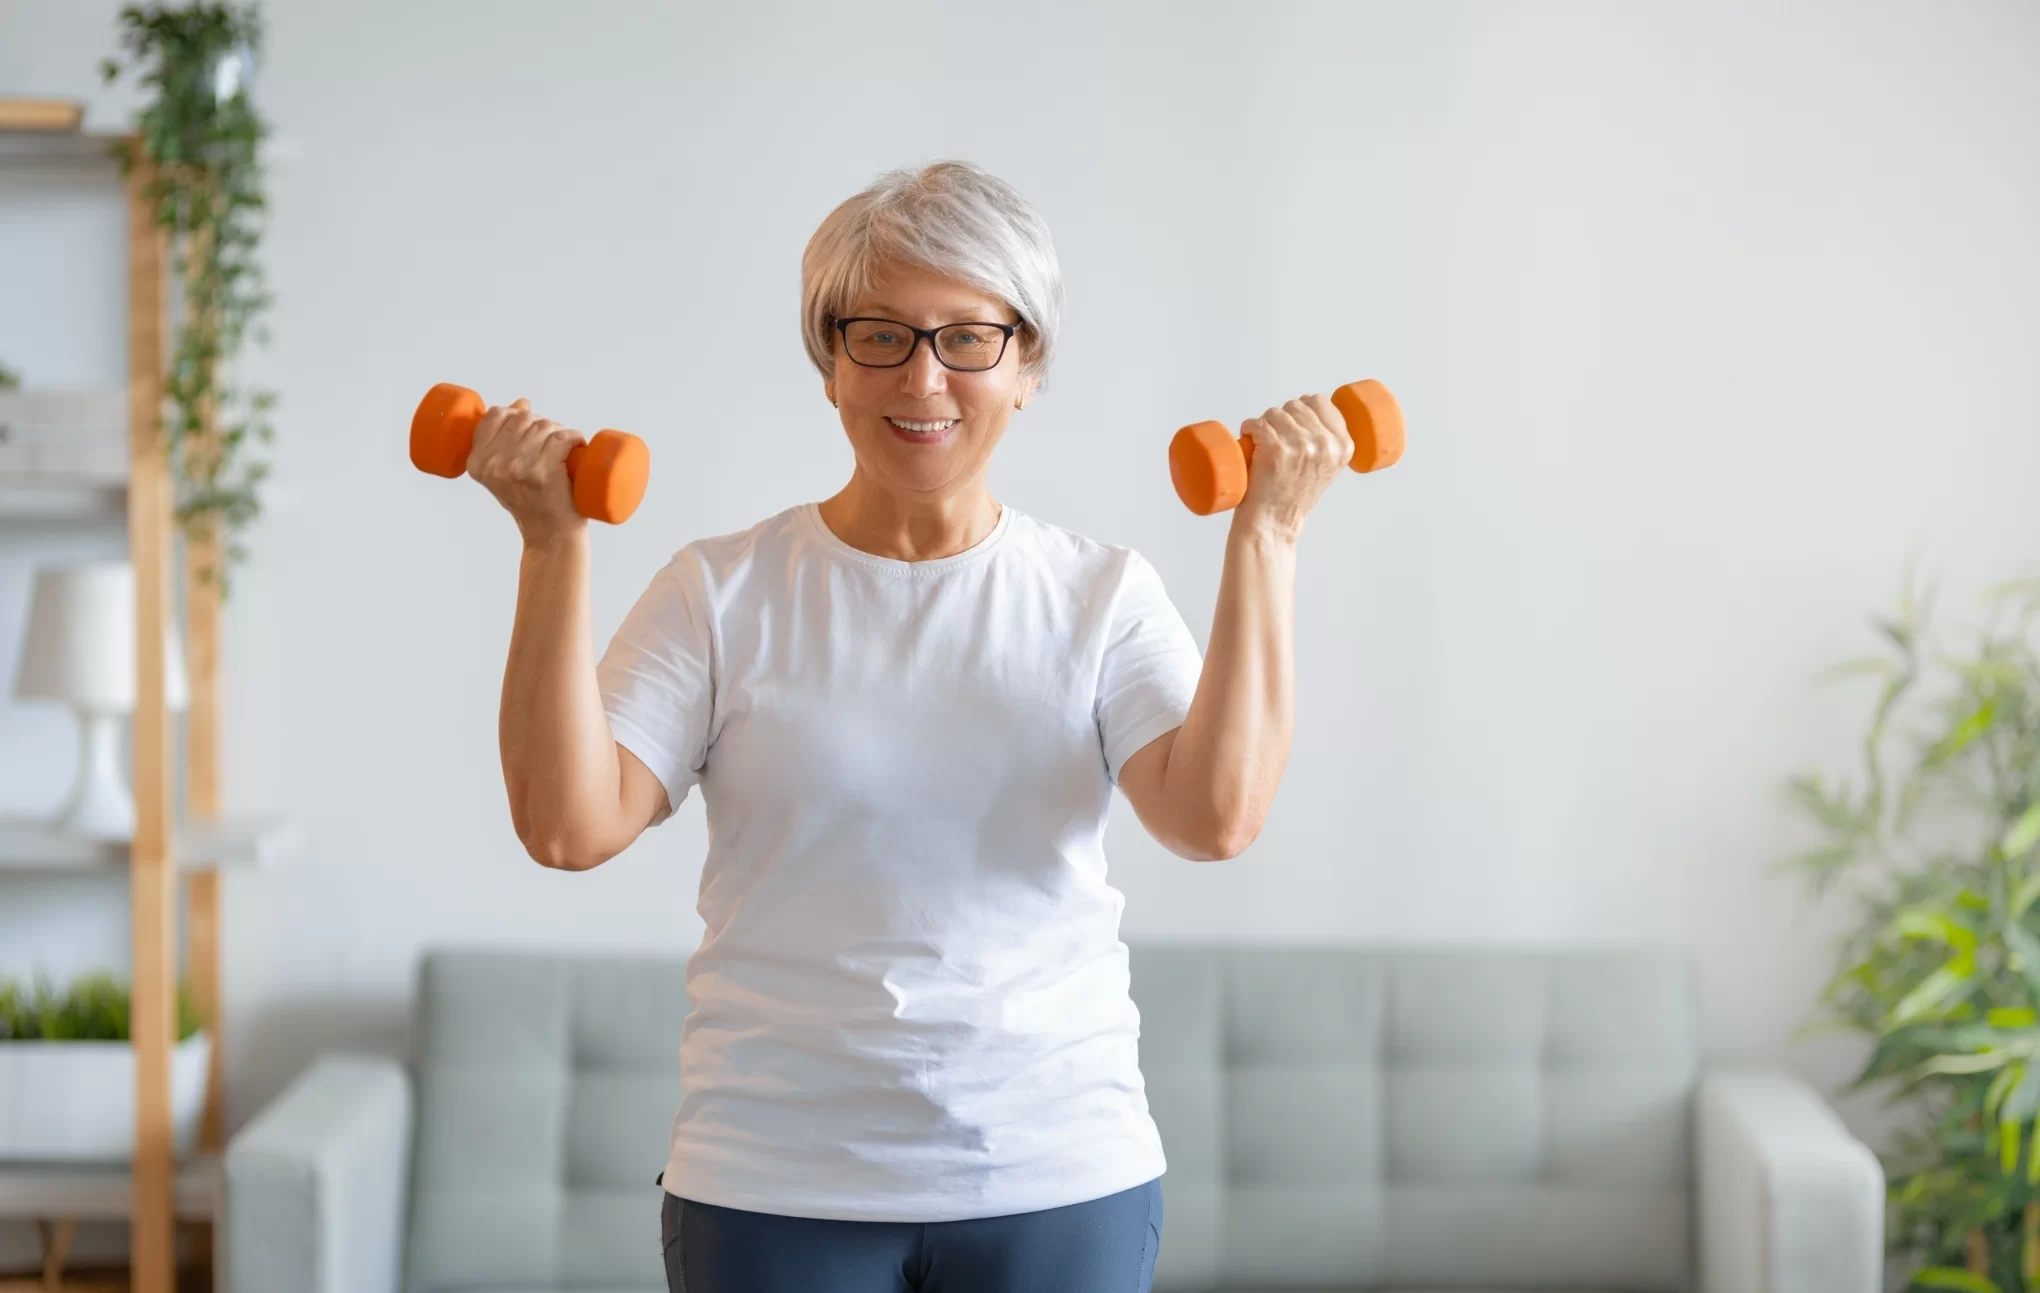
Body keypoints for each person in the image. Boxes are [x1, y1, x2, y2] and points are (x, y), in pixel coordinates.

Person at [471, 160, 1354, 1293]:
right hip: (772, 1179)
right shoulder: (719, 592)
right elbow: (566, 825)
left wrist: (1267, 535)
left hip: (1055, 1172)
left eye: (968, 338)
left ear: (1026, 365)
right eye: (879, 335)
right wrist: (552, 546)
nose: (923, 376)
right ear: (830, 365)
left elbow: (1214, 816)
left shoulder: (1101, 596)